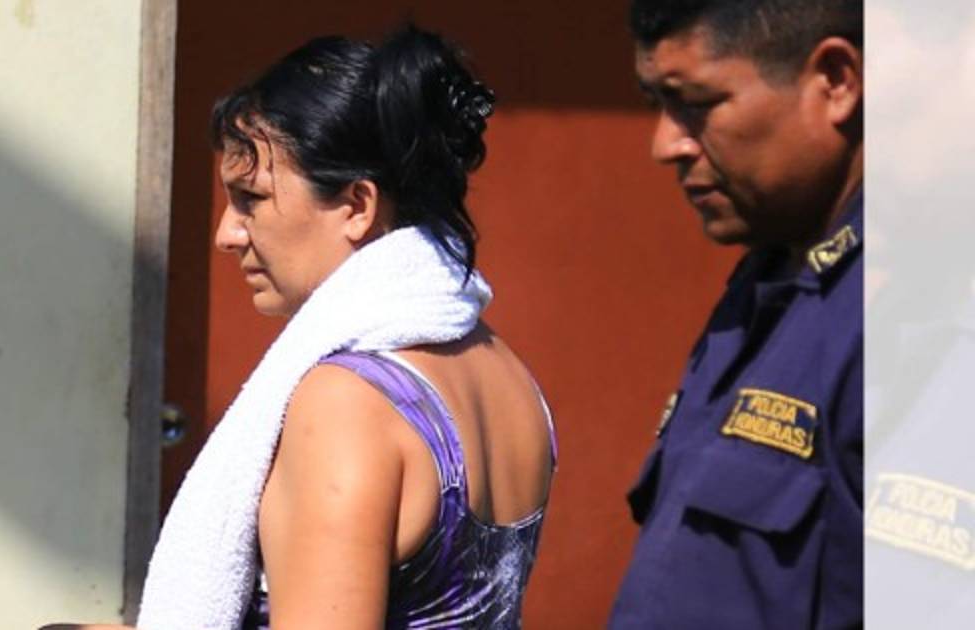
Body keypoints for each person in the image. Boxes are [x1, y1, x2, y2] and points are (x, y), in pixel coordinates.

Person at [46, 25, 556, 630]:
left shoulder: (345, 405)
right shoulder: (509, 376)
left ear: (357, 206)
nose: (227, 234)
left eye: (251, 199)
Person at [610, 1, 863, 628]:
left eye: (696, 103)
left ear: (836, 81)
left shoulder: (910, 318)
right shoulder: (766, 280)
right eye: (657, 104)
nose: (665, 144)